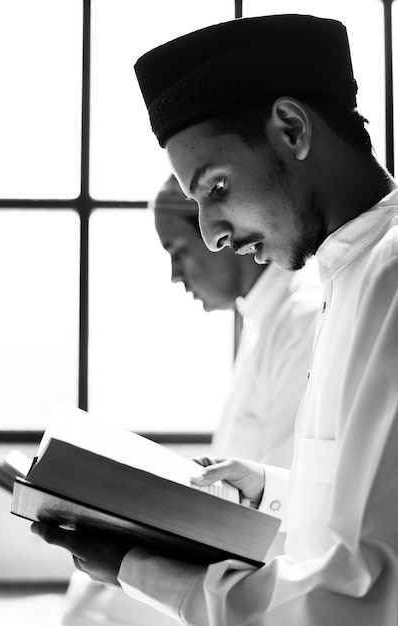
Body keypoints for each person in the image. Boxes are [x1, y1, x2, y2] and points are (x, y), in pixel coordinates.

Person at [32, 14, 398, 626]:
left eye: (217, 186)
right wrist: (271, 487)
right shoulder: (351, 266)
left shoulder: (389, 274)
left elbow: (360, 599)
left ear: (292, 129)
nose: (210, 234)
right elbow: (366, 515)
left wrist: (139, 569)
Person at [60, 172, 320, 625]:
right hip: (236, 545)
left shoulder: (299, 322)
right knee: (90, 582)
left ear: (217, 233)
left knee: (96, 600)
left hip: (259, 570)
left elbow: (286, 514)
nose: (176, 274)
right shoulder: (264, 321)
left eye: (177, 252)